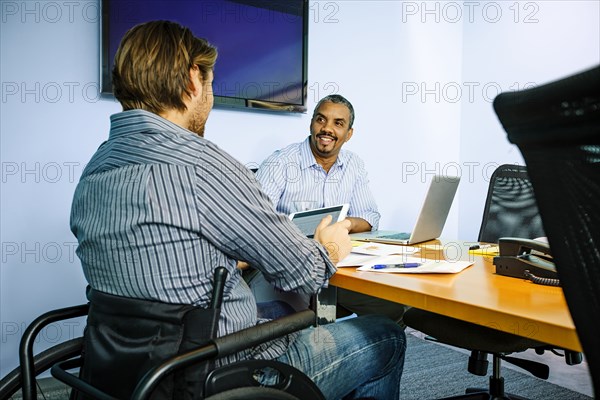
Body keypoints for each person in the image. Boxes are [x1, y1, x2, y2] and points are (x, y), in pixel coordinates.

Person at [70, 20, 405, 399]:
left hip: (129, 373)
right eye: (212, 84)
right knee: (386, 335)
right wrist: (329, 245)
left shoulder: (98, 166)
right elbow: (308, 273)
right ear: (194, 81)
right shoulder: (206, 167)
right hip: (221, 372)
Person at [256, 94, 408, 325]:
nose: (327, 129)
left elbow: (370, 216)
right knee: (317, 317)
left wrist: (344, 225)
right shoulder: (280, 163)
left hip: (339, 267)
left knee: (395, 306)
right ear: (311, 124)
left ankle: (355, 347)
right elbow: (256, 224)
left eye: (338, 123)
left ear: (349, 134)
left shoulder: (353, 164)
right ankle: (321, 342)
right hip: (294, 268)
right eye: (321, 119)